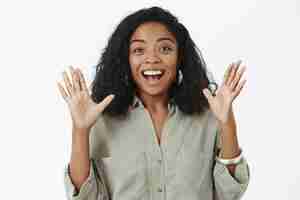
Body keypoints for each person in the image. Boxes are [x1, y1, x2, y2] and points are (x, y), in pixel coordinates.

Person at [57, 6, 250, 200]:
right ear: (126, 59)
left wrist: (227, 123)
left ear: (180, 57)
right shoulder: (102, 119)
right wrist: (80, 130)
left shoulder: (208, 114)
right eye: (139, 50)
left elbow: (229, 193)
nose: (151, 59)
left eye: (165, 48)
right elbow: (85, 197)